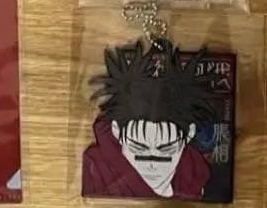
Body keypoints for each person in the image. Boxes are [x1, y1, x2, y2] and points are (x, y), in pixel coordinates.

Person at [83, 40, 214, 199]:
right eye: (138, 148)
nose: (152, 166)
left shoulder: (195, 176)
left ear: (189, 134)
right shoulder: (96, 172)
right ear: (116, 130)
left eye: (166, 149)